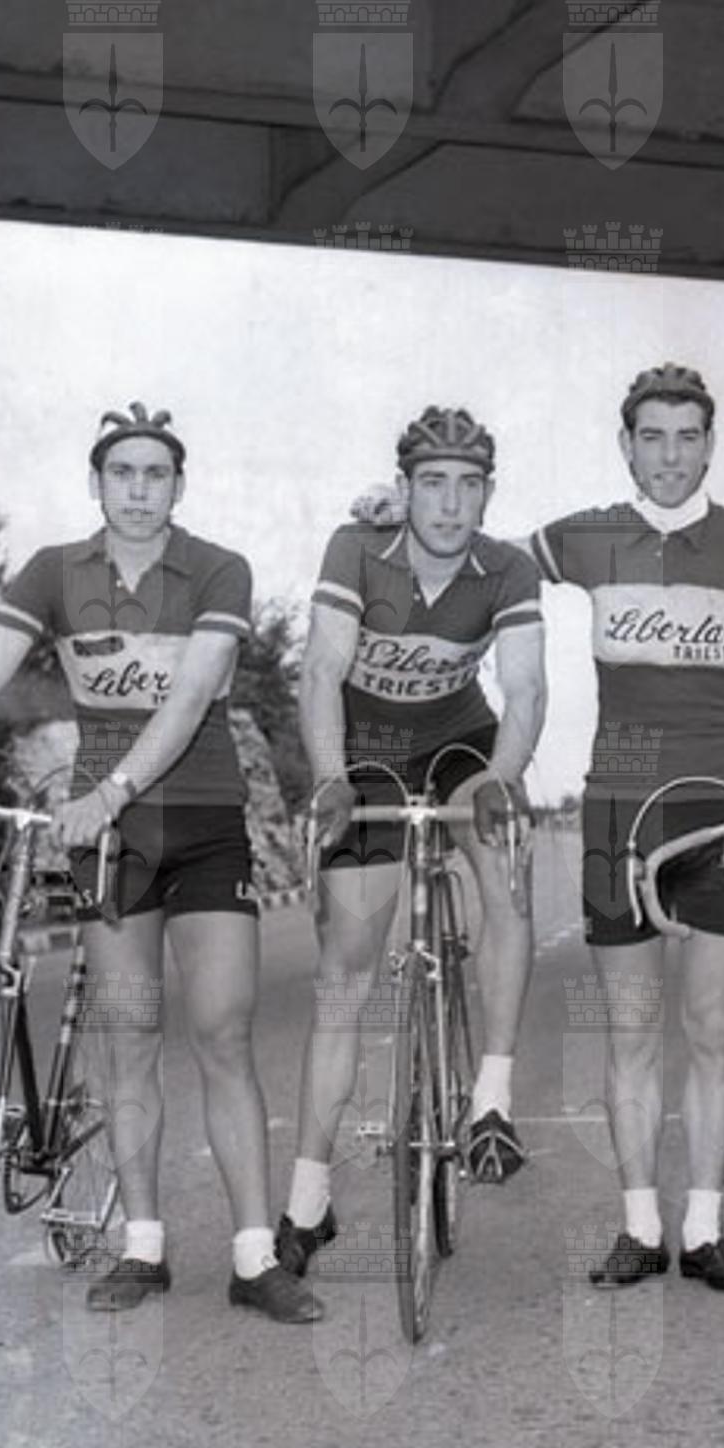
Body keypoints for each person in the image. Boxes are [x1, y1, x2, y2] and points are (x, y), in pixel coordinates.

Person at [0, 403, 321, 1324]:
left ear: (177, 487)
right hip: (108, 842)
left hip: (200, 820)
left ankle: (255, 1257)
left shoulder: (218, 568)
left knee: (222, 1032)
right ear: (97, 484)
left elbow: (189, 699)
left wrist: (108, 792)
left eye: (155, 475)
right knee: (128, 1034)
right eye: (122, 474)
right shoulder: (54, 572)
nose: (139, 490)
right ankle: (142, 1248)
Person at [534, 364, 724, 1296]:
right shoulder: (587, 536)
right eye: (652, 437)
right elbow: (476, 564)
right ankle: (639, 1227)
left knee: (710, 1028)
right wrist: (390, 519)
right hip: (618, 809)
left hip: (723, 808)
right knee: (630, 1032)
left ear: (710, 446)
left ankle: (704, 1230)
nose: (669, 455)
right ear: (625, 446)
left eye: (687, 437)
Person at [275, 408, 547, 1277]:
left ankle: (491, 1102)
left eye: (469, 486)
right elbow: (322, 670)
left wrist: (503, 779)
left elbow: (525, 689)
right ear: (404, 490)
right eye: (433, 484)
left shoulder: (506, 568)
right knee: (343, 976)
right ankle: (307, 1199)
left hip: (459, 743)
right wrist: (329, 778)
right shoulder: (356, 549)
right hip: (367, 752)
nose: (451, 504)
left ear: (488, 494)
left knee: (505, 865)